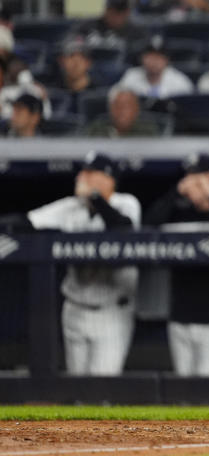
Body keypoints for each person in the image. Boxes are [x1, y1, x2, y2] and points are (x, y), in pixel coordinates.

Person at [26, 152, 141, 375]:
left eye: (90, 173)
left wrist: (96, 198)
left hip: (112, 310)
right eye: (83, 172)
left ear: (109, 179)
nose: (81, 177)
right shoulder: (72, 206)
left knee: (102, 391)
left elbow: (123, 229)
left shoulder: (126, 203)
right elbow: (26, 222)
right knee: (76, 391)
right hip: (75, 308)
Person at [144, 153, 209, 377]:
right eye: (189, 176)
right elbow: (148, 227)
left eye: (199, 175)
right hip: (180, 315)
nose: (193, 182)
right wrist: (175, 194)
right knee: (182, 395)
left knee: (207, 393)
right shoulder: (178, 212)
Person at [115, 35, 195, 100]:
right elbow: (114, 97)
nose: (154, 61)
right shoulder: (131, 77)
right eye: (150, 56)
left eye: (159, 57)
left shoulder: (180, 82)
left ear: (167, 60)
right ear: (142, 58)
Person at [83, 87, 160, 137]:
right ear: (110, 109)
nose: (122, 111)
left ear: (136, 110)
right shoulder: (96, 129)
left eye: (127, 106)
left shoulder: (147, 132)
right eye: (117, 106)